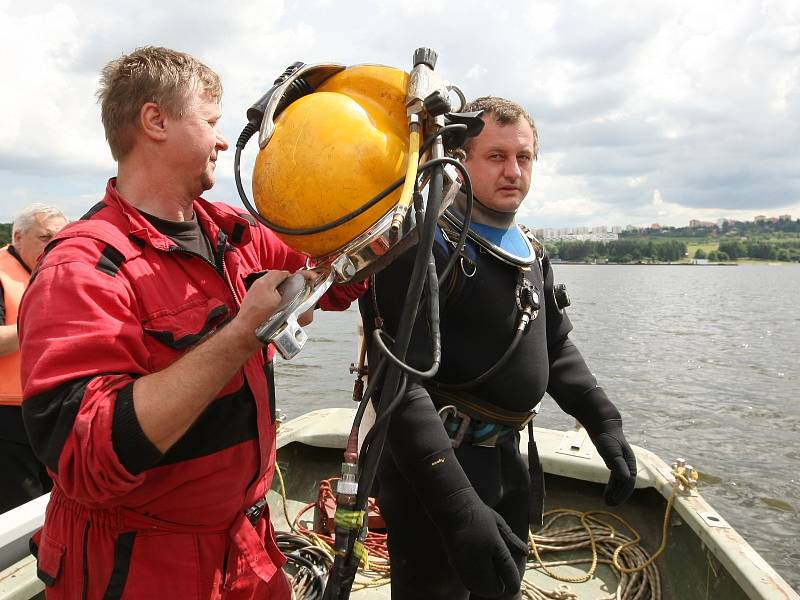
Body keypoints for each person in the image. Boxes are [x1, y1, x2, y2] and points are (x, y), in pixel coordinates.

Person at [18, 47, 364, 599]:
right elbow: (86, 457)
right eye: (210, 122)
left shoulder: (236, 233)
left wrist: (386, 194)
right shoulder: (82, 266)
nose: (224, 141)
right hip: (138, 566)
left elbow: (343, 278)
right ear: (155, 121)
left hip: (246, 551)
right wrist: (240, 334)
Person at [359, 96, 638, 599]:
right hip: (438, 471)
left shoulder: (529, 248)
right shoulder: (422, 246)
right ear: (459, 161)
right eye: (495, 156)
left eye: (524, 157)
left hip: (509, 464)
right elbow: (399, 389)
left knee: (501, 587)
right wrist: (459, 507)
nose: (513, 171)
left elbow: (554, 347)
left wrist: (603, 420)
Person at [0, 204, 67, 513]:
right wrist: (39, 324)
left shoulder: (61, 272)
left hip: (54, 409)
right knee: (20, 508)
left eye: (60, 237)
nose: (54, 244)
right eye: (45, 237)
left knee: (58, 500)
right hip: (7, 418)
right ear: (17, 236)